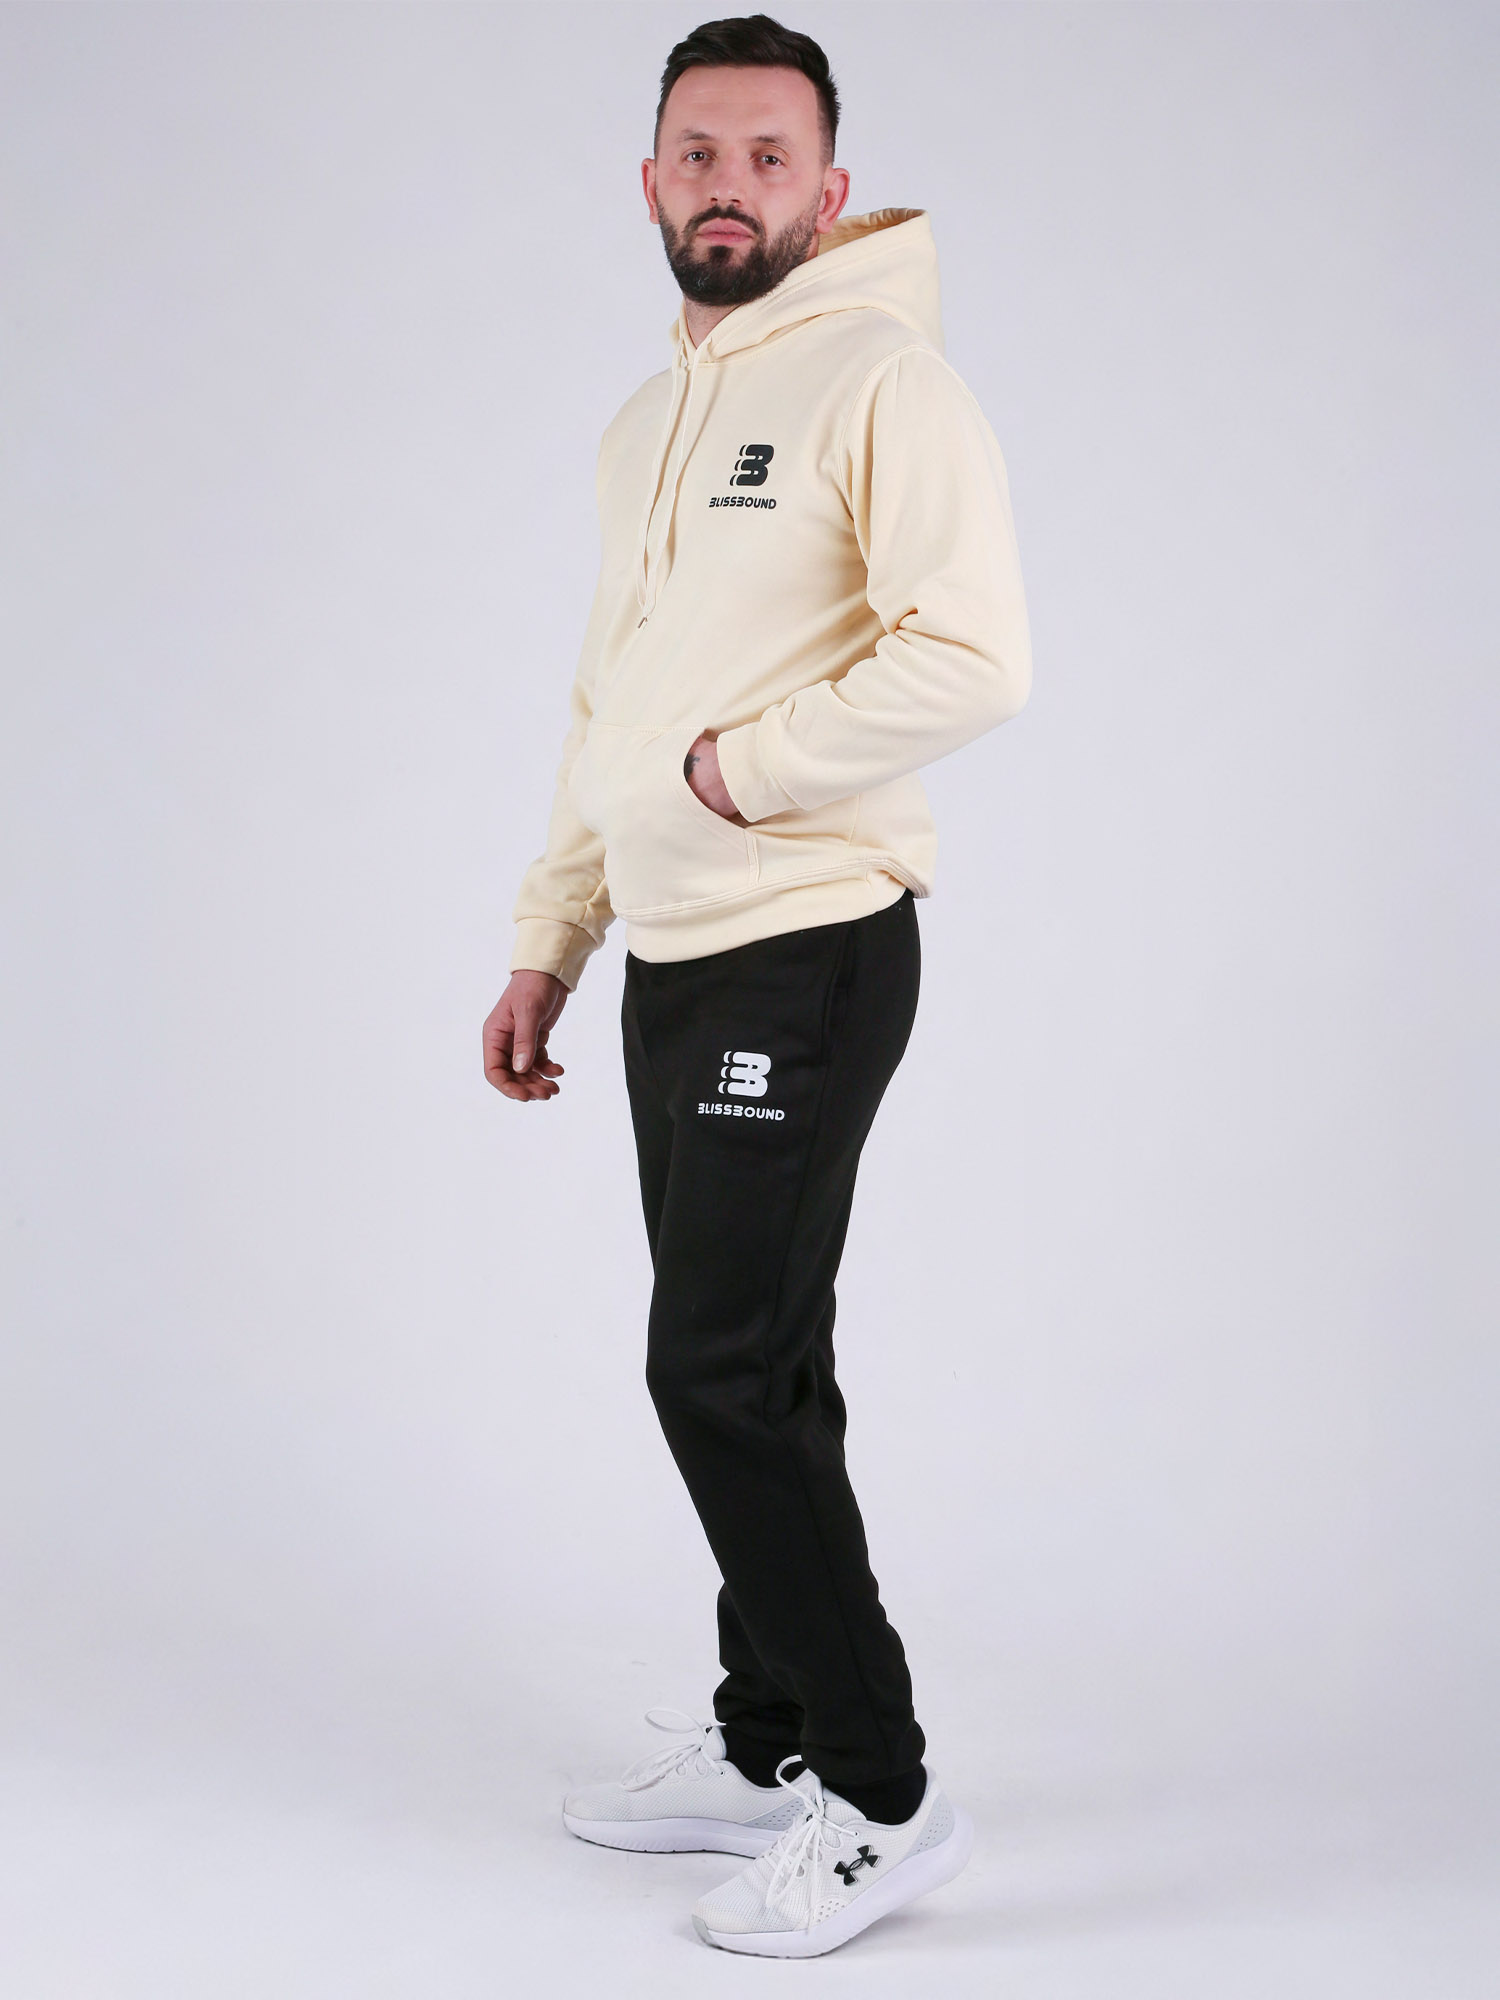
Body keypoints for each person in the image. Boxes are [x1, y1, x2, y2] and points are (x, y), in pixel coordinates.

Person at [483, 12, 1031, 1958]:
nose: (730, 188)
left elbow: (975, 653)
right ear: (652, 181)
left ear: (828, 183)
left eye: (767, 157)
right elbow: (604, 704)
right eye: (699, 156)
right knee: (764, 1364)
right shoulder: (648, 426)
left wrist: (745, 771)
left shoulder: (886, 380)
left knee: (712, 1372)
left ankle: (883, 1794)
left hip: (804, 941)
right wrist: (553, 935)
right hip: (673, 953)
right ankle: (767, 1737)